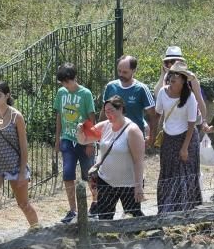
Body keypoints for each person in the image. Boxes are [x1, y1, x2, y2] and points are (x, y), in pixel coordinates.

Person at [0, 82, 39, 241]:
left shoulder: (16, 116)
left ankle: (38, 231)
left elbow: (24, 147)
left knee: (23, 203)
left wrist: (22, 172)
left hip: (14, 165)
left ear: (7, 96)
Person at [100, 55, 155, 216]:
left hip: (132, 139)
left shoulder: (141, 89)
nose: (121, 74)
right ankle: (106, 211)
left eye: (125, 71)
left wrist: (151, 136)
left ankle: (133, 206)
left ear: (133, 71)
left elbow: (152, 114)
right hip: (112, 137)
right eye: (119, 71)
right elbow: (104, 112)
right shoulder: (111, 87)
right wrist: (98, 133)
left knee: (133, 171)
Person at [152, 61, 203, 213]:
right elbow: (158, 114)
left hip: (186, 138)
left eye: (178, 75)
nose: (173, 77)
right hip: (169, 138)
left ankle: (187, 210)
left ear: (184, 80)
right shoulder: (162, 92)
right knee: (168, 172)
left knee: (185, 174)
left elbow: (192, 123)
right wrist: (153, 135)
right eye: (171, 74)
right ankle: (166, 209)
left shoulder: (190, 98)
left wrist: (185, 148)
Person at [53, 62, 97, 224]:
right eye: (63, 82)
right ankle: (73, 210)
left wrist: (90, 143)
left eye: (68, 81)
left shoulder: (86, 94)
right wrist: (57, 138)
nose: (66, 85)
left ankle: (95, 205)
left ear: (74, 78)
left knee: (89, 174)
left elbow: (91, 118)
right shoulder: (61, 93)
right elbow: (59, 116)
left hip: (84, 140)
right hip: (67, 139)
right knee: (68, 174)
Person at [90, 96, 145, 219]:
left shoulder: (132, 130)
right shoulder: (104, 126)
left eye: (111, 111)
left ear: (120, 109)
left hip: (128, 183)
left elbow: (138, 161)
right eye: (106, 111)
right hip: (106, 181)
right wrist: (79, 129)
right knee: (104, 218)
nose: (108, 114)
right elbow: (84, 139)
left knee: (133, 218)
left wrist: (138, 187)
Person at [153, 46, 207, 131]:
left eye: (173, 61)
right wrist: (162, 74)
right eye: (167, 62)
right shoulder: (167, 77)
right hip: (173, 123)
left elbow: (199, 99)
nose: (170, 64)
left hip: (190, 122)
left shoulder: (190, 78)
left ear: (181, 62)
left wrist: (204, 121)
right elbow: (158, 94)